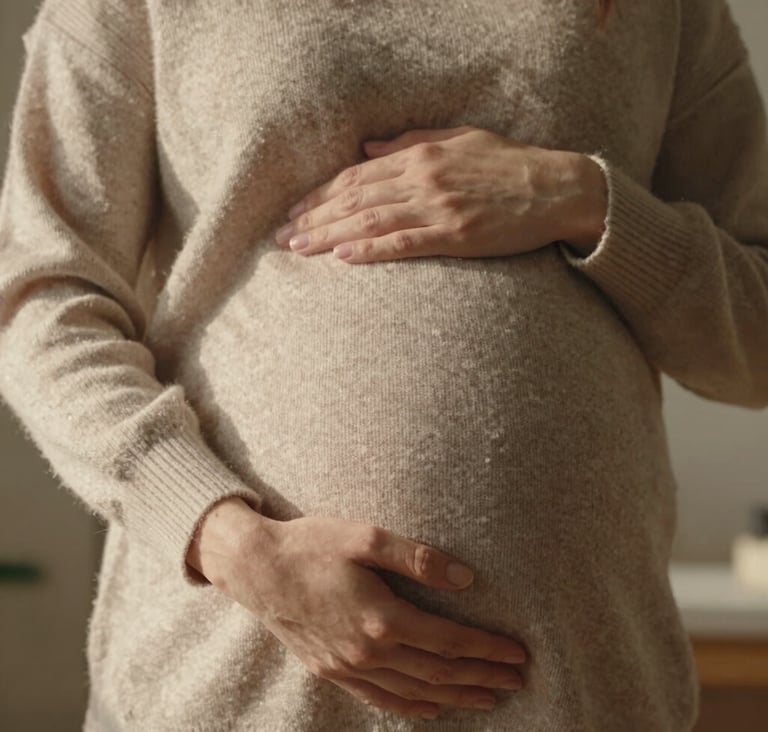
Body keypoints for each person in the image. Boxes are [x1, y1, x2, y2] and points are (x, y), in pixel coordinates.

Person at [1, 0, 766, 729]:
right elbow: (40, 297)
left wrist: (582, 198)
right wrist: (227, 540)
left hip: (584, 690)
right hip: (235, 683)